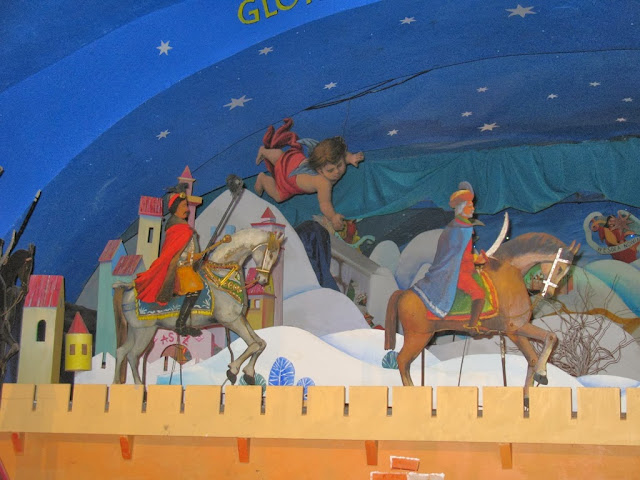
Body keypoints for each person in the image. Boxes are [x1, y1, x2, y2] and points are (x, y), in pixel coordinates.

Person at [254, 118, 364, 231]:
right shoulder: (324, 183)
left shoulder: (333, 160)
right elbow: (324, 204)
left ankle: (264, 151)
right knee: (278, 196)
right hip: (289, 181)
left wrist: (351, 157)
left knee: (282, 158)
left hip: (295, 160)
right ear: (319, 170)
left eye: (340, 165)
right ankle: (263, 179)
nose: (337, 171)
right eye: (330, 170)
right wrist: (333, 217)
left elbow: (342, 155)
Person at [411, 181, 488, 334]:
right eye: (470, 206)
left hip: (456, 268)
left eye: (472, 205)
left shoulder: (455, 226)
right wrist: (476, 260)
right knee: (479, 293)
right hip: (457, 272)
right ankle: (472, 326)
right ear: (461, 208)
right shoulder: (462, 229)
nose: (473, 209)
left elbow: (456, 252)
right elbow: (459, 256)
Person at [134, 184, 204, 337]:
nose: (187, 209)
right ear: (176, 208)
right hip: (180, 267)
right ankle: (180, 325)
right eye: (184, 206)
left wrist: (198, 256)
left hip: (187, 264)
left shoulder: (184, 228)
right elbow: (176, 255)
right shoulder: (179, 229)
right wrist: (193, 257)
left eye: (187, 206)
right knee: (196, 288)